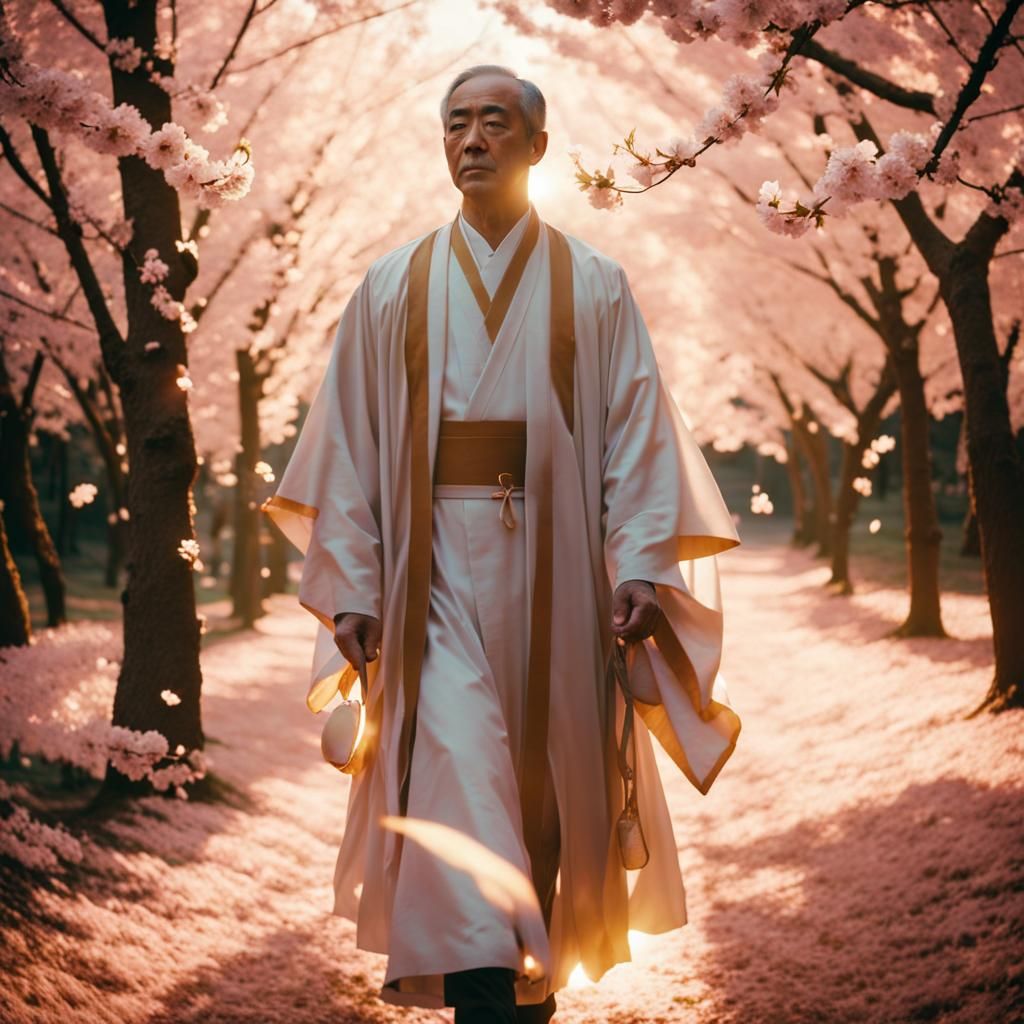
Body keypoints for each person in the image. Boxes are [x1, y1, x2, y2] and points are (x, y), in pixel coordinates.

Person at [263, 64, 741, 1023]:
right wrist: (353, 584)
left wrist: (640, 564)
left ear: (537, 143)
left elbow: (637, 439)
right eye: (456, 124)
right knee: (459, 782)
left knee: (540, 801)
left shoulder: (596, 287)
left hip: (558, 590)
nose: (471, 139)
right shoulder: (390, 286)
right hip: (426, 588)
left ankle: (524, 995)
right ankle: (485, 1000)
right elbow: (349, 448)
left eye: (494, 122)